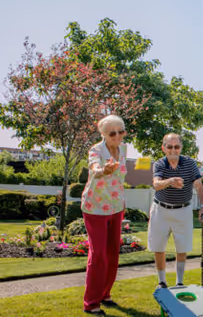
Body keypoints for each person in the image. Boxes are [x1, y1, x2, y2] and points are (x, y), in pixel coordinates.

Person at [80, 115, 128, 316]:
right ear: (103, 134)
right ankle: (91, 303)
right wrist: (102, 169)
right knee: (98, 254)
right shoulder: (96, 150)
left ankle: (105, 294)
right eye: (112, 133)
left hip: (116, 206)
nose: (118, 136)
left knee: (112, 253)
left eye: (121, 131)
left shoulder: (123, 148)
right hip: (95, 208)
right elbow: (94, 166)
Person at [148, 133, 203, 289]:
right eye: (170, 147)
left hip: (183, 209)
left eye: (176, 146)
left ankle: (180, 282)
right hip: (160, 209)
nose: (173, 150)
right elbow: (156, 184)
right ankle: (162, 282)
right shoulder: (160, 164)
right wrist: (170, 181)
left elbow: (199, 186)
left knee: (182, 247)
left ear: (181, 148)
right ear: (164, 148)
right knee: (158, 247)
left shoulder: (190, 163)